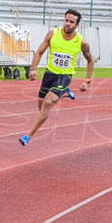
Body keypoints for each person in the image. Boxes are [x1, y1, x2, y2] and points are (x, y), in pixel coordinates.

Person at [18, 9, 93, 146]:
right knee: (41, 107)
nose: (67, 24)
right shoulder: (53, 34)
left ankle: (27, 136)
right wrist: (33, 69)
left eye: (71, 22)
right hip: (49, 75)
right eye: (66, 20)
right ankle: (65, 92)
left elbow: (90, 61)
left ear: (77, 25)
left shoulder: (81, 42)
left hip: (64, 76)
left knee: (48, 103)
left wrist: (87, 80)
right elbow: (40, 52)